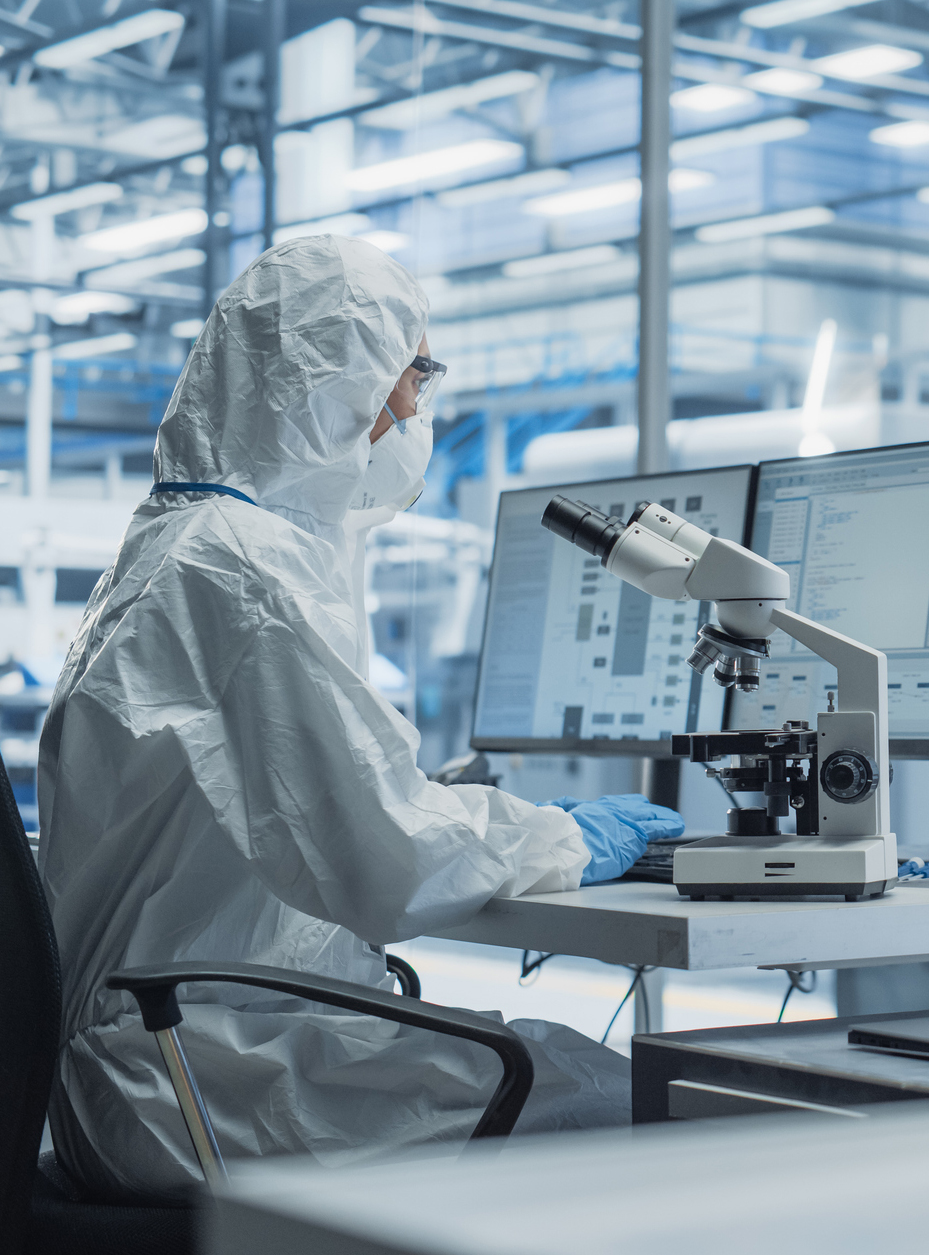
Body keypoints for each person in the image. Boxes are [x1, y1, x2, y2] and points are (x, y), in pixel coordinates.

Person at [37, 235, 683, 1202]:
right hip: (195, 1083)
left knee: (574, 1071)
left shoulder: (184, 543)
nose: (419, 407)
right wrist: (566, 837)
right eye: (413, 372)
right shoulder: (239, 567)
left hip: (167, 1059)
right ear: (337, 382)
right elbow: (389, 857)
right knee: (663, 1102)